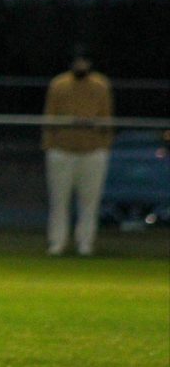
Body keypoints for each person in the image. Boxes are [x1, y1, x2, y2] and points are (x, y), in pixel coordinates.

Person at [43, 47, 114, 257]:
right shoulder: (59, 84)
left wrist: (104, 145)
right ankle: (57, 243)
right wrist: (49, 145)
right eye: (77, 62)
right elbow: (50, 116)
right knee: (59, 201)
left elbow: (107, 117)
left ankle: (85, 244)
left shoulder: (100, 85)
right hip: (62, 150)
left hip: (92, 151)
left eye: (83, 62)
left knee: (89, 201)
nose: (80, 66)